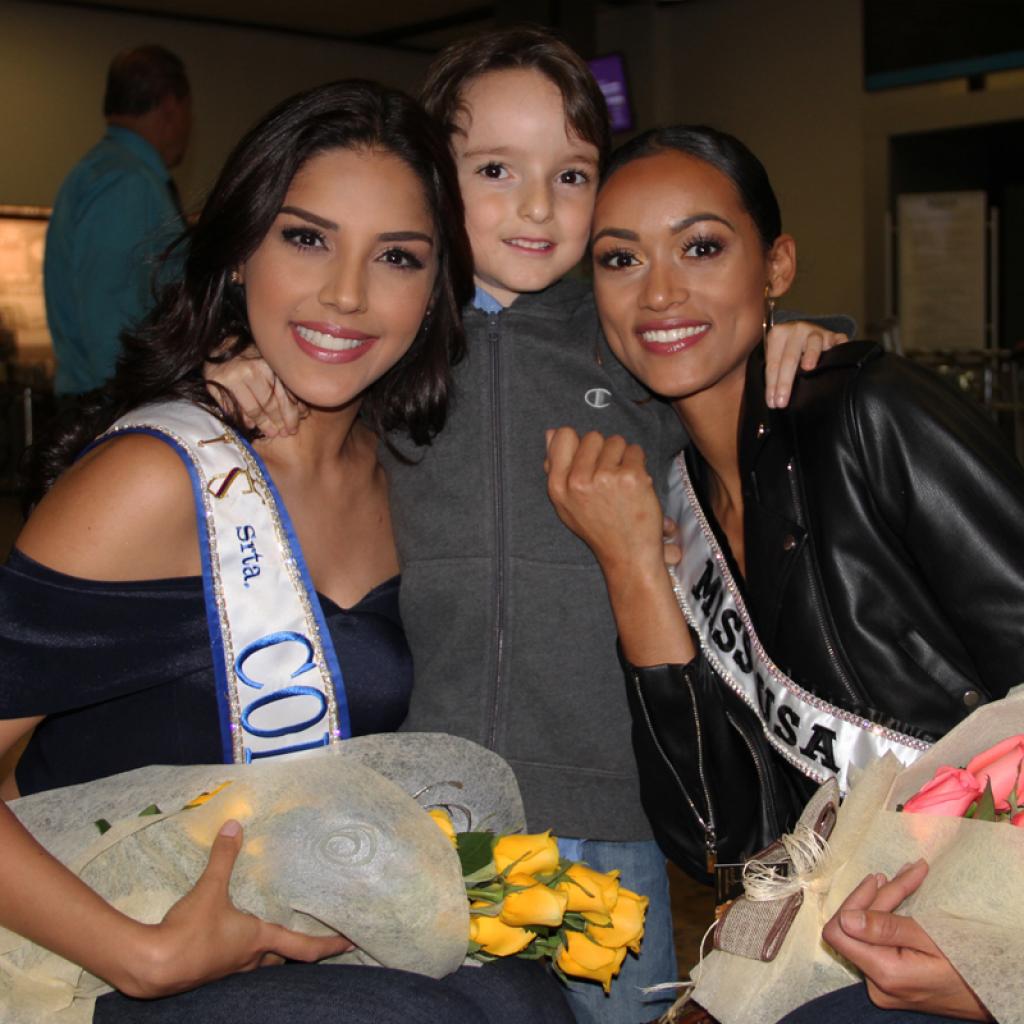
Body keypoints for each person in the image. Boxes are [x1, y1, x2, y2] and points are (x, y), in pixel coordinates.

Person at [208, 28, 851, 1024]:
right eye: (495, 169)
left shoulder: (627, 332)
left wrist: (798, 339)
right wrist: (244, 367)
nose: (536, 206)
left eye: (572, 172)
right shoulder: (393, 339)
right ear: (434, 175)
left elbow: (722, 339)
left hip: (611, 811)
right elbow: (300, 374)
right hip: (432, 821)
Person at [1, 80, 573, 1024]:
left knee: (524, 1001)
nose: (346, 294)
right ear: (236, 256)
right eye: (305, 238)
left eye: (397, 256)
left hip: (284, 928)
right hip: (89, 951)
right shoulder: (158, 479)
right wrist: (141, 956)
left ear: (437, 290)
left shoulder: (403, 473)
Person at [544, 124, 1024, 1022]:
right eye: (619, 259)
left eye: (701, 247)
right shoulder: (669, 502)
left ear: (776, 267)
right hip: (861, 939)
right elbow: (723, 846)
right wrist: (634, 572)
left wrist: (1003, 967)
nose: (660, 291)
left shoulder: (868, 418)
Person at [44, 44, 192, 399]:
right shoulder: (127, 184)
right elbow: (110, 327)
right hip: (115, 406)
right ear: (171, 105)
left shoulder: (102, 172)